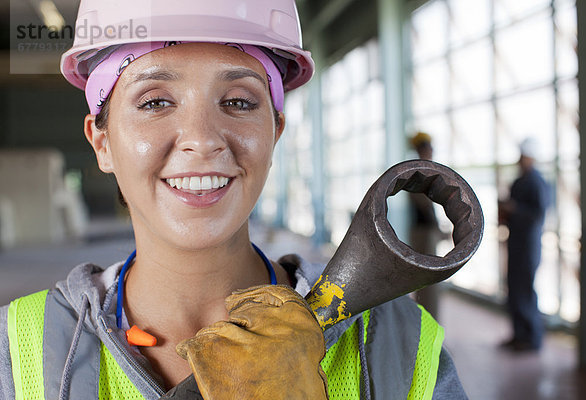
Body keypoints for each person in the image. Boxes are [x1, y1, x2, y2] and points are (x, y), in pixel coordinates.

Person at [0, 1, 467, 399]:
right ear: (101, 142)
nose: (202, 140)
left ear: (275, 132)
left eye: (239, 101)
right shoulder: (19, 353)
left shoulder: (400, 348)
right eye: (155, 102)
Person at [498, 138, 550, 352]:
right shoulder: (519, 182)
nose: (521, 160)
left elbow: (538, 215)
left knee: (526, 290)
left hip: (528, 245)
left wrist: (514, 209)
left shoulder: (537, 182)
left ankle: (532, 338)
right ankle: (519, 334)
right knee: (516, 289)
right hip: (516, 243)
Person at [408, 132, 444, 319]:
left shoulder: (422, 171)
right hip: (423, 232)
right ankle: (428, 318)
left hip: (425, 231)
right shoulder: (419, 173)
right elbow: (425, 205)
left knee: (428, 282)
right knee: (427, 281)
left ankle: (427, 317)